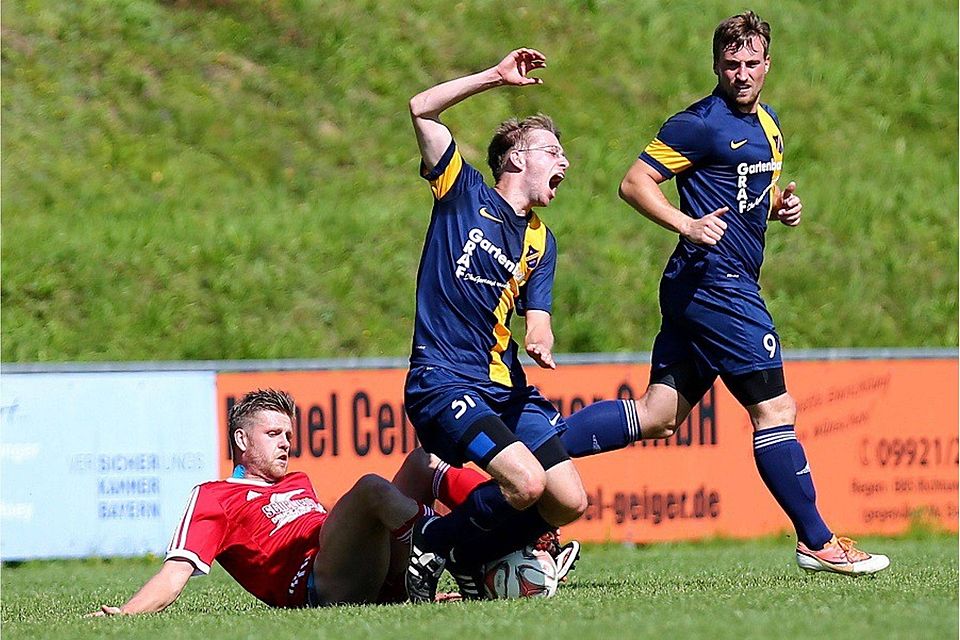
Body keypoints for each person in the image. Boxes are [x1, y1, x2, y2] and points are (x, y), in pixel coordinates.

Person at [559, 11, 889, 576]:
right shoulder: (699, 123)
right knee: (776, 409)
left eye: (751, 63)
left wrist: (781, 209)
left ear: (767, 64)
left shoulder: (771, 123)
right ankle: (818, 539)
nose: (741, 73)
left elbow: (747, 194)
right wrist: (684, 224)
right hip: (717, 285)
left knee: (660, 415)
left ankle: (531, 449)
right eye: (731, 63)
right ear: (716, 65)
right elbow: (633, 183)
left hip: (706, 285)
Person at [403, 48, 587, 602]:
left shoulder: (541, 241)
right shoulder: (462, 192)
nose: (565, 163)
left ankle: (466, 554)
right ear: (514, 158)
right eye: (552, 151)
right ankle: (430, 540)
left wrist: (540, 337)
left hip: (506, 389)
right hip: (445, 380)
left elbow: (539, 317)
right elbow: (420, 109)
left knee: (567, 502)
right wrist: (494, 78)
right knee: (526, 483)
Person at [88, 388, 429, 614]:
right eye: (273, 434)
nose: (285, 444)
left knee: (422, 461)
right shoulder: (214, 496)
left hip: (352, 564)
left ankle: (435, 564)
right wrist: (126, 613)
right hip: (317, 584)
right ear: (241, 439)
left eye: (289, 436)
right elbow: (175, 573)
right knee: (370, 488)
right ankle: (447, 541)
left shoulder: (299, 480)